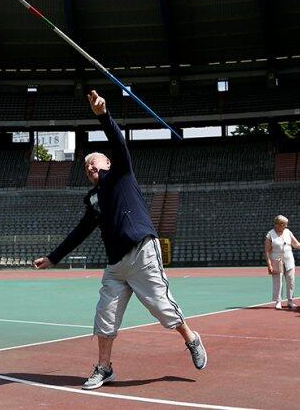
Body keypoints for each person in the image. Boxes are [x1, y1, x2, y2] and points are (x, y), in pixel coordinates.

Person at [33, 90, 207, 391]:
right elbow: (80, 231)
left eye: (95, 162)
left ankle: (191, 338)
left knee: (161, 307)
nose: (90, 167)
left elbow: (119, 144)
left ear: (108, 164)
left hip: (142, 252)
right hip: (115, 265)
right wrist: (54, 257)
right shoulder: (93, 198)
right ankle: (104, 367)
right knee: (105, 316)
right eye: (86, 166)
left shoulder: (122, 173)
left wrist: (103, 115)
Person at [264, 215, 300, 310]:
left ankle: (290, 300)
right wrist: (269, 264)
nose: (286, 226)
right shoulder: (270, 234)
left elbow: (296, 244)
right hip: (276, 260)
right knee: (278, 281)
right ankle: (278, 301)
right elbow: (267, 251)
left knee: (291, 280)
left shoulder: (288, 232)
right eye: (284, 225)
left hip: (289, 259)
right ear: (279, 224)